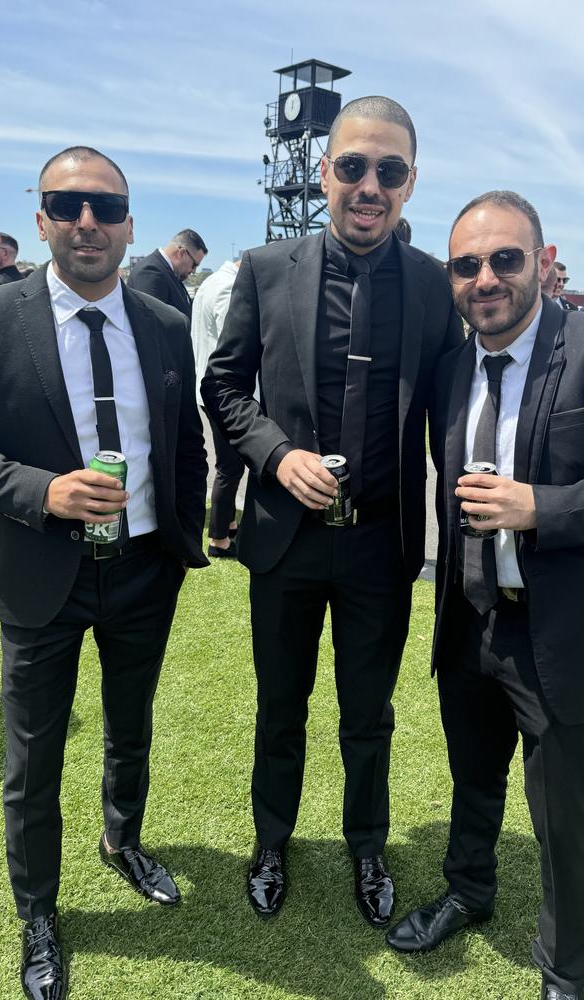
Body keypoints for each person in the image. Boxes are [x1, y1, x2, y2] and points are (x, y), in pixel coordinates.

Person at [202, 96, 463, 927]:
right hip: (285, 542)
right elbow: (224, 386)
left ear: (410, 183)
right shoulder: (265, 267)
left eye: (389, 171)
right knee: (282, 708)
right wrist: (278, 455)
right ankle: (271, 842)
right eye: (353, 166)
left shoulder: (432, 286)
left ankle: (368, 846)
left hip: (380, 550)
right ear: (324, 173)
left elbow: (458, 403)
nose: (369, 185)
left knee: (368, 715)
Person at [387, 190, 584, 1000]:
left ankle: (565, 972)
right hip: (471, 618)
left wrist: (543, 507)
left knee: (565, 819)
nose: (485, 278)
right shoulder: (450, 369)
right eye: (466, 265)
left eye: (504, 259)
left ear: (543, 261)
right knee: (473, 776)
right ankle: (469, 889)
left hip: (563, 633)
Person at [0, 145, 209, 1000]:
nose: (88, 222)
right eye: (67, 204)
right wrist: (44, 489)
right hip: (45, 575)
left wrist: (185, 544)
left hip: (145, 571)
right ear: (40, 218)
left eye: (106, 208)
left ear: (129, 226)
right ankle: (37, 909)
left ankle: (123, 839)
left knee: (131, 726)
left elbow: (183, 442)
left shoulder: (162, 321)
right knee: (33, 759)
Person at [192, 259, 244, 558]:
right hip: (223, 390)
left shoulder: (211, 282)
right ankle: (219, 538)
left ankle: (229, 523)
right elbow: (233, 338)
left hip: (208, 384)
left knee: (229, 463)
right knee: (230, 466)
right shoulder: (226, 286)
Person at [128, 229, 208, 319]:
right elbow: (153, 324)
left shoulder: (171, 273)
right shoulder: (151, 272)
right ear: (181, 253)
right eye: (194, 265)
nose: (194, 271)